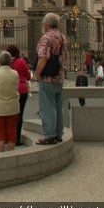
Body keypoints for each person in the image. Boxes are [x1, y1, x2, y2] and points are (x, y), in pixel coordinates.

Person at [35, 12, 69, 145]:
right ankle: (58, 133)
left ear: (46, 24)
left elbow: (43, 57)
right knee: (58, 105)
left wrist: (38, 73)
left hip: (48, 77)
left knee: (47, 106)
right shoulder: (62, 37)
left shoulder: (46, 38)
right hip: (59, 76)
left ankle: (49, 135)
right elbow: (64, 57)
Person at [7, 45, 32, 146]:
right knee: (19, 115)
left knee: (9, 114)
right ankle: (16, 138)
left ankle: (8, 137)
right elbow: (28, 77)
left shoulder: (7, 63)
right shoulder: (22, 62)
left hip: (10, 90)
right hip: (22, 90)